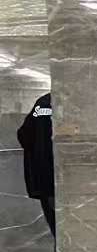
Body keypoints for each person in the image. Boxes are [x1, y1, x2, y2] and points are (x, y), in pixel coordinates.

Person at [16, 92, 53, 237]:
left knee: (55, 222)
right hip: (67, 176)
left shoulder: (42, 102)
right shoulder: (75, 103)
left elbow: (23, 135)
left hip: (43, 176)